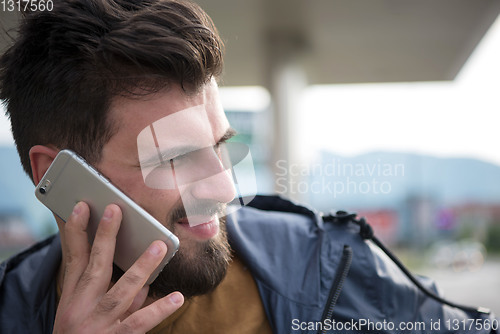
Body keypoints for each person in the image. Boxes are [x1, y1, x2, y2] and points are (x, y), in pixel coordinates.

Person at [0, 0, 497, 333]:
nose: (223, 187)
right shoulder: (11, 311)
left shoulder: (332, 266)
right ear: (55, 175)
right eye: (174, 157)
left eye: (219, 145)